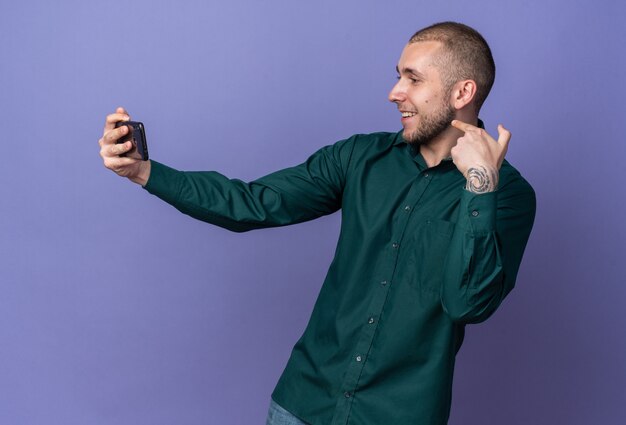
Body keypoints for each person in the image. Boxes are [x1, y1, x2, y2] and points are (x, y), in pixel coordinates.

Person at [99, 21, 535, 425]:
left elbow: (468, 305)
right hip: (303, 404)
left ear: (462, 93)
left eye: (413, 79)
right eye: (399, 75)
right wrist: (143, 172)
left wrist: (480, 187)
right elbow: (251, 203)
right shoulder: (360, 157)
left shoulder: (508, 195)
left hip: (399, 415)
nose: (394, 92)